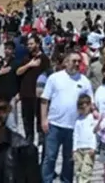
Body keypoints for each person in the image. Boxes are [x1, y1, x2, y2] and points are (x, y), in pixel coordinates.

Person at [40, 52, 93, 183]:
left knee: (69, 159)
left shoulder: (84, 81)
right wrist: (43, 120)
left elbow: (91, 102)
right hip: (54, 125)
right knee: (50, 157)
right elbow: (44, 100)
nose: (76, 64)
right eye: (73, 61)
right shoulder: (54, 78)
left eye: (78, 62)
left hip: (74, 126)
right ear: (66, 62)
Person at [72, 95, 97, 183]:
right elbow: (76, 134)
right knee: (78, 171)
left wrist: (93, 147)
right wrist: (74, 149)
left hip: (89, 149)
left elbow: (95, 133)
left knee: (86, 171)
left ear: (90, 105)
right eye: (81, 107)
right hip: (79, 149)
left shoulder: (92, 118)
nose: (83, 109)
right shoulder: (78, 120)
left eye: (85, 107)